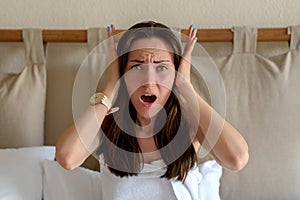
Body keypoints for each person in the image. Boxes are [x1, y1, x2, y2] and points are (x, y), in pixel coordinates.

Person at [56, 21, 249, 199]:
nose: (149, 81)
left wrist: (186, 86)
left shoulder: (189, 122)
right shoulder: (108, 123)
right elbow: (67, 158)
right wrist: (111, 84)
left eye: (162, 68)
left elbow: (237, 159)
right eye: (137, 67)